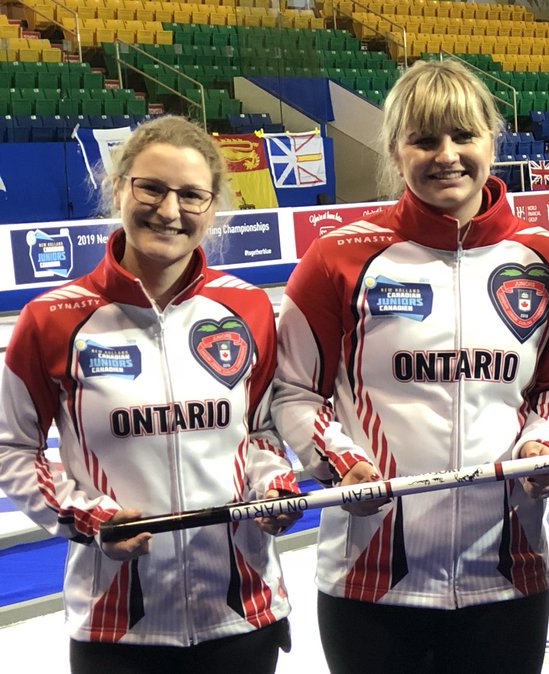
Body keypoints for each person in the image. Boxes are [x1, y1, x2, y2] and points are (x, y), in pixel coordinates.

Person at [271, 59, 549, 674]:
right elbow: (294, 393)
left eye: (464, 136)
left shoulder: (548, 261)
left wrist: (541, 445)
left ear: (492, 140)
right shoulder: (337, 257)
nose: (448, 155)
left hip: (507, 570)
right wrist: (343, 463)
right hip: (372, 574)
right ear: (396, 149)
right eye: (424, 139)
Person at [0, 115, 297, 673]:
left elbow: (260, 432)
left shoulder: (249, 308)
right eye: (151, 188)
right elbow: (11, 448)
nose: (168, 211)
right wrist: (84, 515)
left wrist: (272, 481)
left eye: (190, 195)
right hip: (117, 624)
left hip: (241, 611)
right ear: (119, 190)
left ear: (212, 209)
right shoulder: (51, 318)